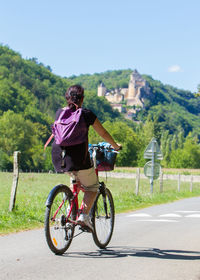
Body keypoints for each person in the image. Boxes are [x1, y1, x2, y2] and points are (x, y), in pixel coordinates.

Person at [52, 85, 121, 232]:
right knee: (92, 187)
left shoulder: (59, 113)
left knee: (74, 180)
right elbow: (102, 132)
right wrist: (115, 146)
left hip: (59, 157)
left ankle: (72, 211)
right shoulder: (86, 114)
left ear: (67, 98)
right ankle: (83, 216)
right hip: (79, 159)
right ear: (82, 99)